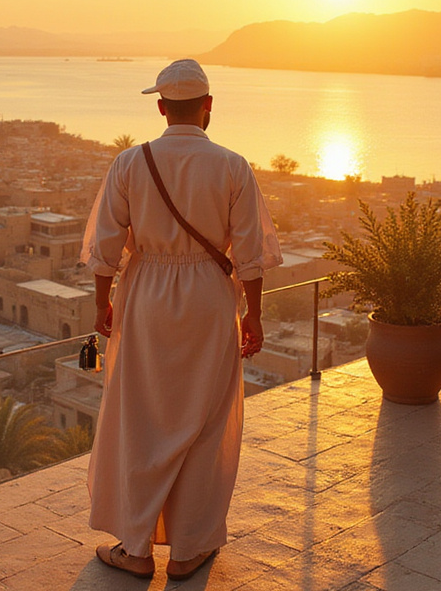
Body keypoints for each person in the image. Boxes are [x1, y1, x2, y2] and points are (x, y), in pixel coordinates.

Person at [80, 58, 283, 581]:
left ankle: (137, 548)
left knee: (141, 419)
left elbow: (105, 247)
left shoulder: (130, 163)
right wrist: (252, 315)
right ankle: (189, 549)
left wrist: (102, 302)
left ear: (161, 107)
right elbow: (251, 253)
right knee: (205, 422)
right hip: (210, 302)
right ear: (209, 107)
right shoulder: (233, 166)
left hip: (145, 295)